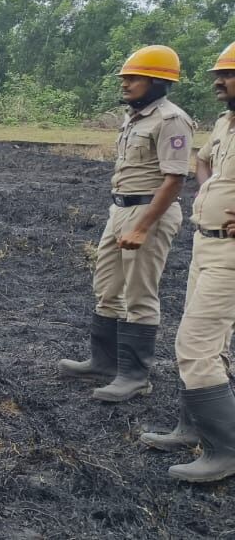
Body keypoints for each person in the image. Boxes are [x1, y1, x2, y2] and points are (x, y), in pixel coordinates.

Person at [58, 45, 196, 403]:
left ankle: (136, 376)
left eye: (133, 78)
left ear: (157, 81)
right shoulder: (134, 117)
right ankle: (104, 362)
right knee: (107, 287)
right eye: (125, 77)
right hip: (120, 209)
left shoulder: (171, 120)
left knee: (139, 294)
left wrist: (142, 226)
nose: (126, 83)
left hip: (149, 212)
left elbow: (174, 179)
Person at [139, 42, 235, 482]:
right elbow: (201, 160)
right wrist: (210, 189)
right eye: (220, 73)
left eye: (228, 74)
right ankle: (191, 427)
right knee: (203, 342)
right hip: (205, 244)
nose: (218, 80)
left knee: (194, 346)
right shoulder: (226, 121)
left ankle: (226, 450)